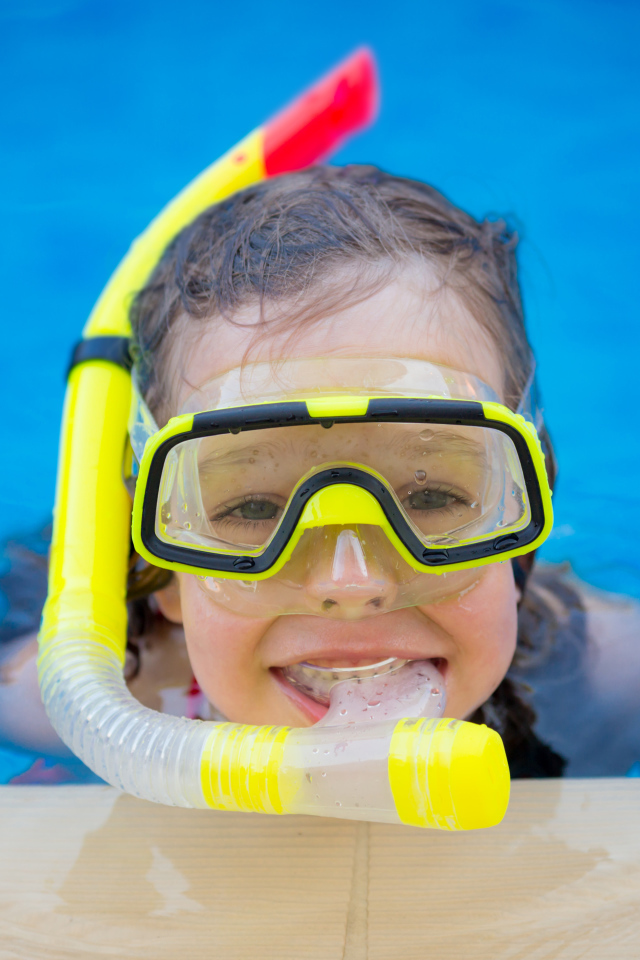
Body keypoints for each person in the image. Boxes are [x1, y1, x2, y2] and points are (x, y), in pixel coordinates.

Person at [2, 165, 638, 783]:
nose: (352, 583)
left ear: (527, 518)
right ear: (159, 563)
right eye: (251, 508)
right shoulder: (76, 704)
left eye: (433, 495)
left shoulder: (605, 678)